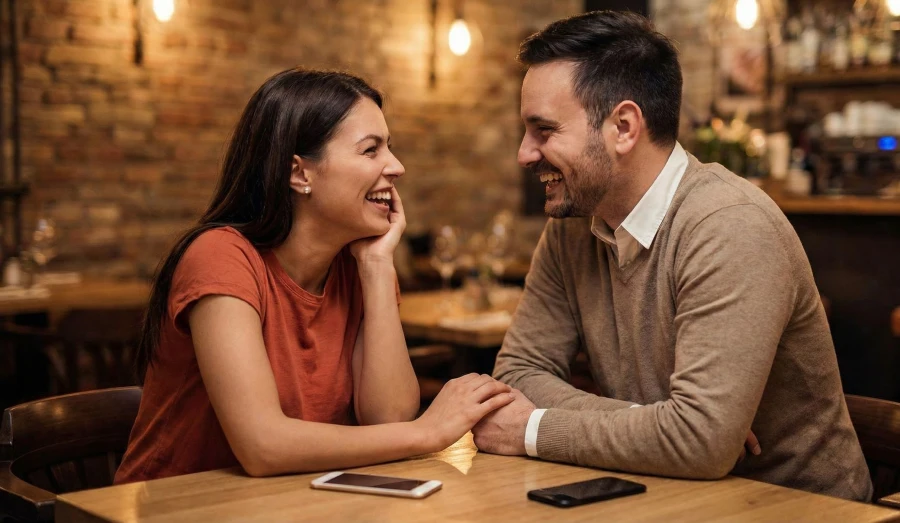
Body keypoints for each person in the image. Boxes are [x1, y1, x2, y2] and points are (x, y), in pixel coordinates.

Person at [471, 11, 872, 501]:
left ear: (623, 126)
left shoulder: (729, 224)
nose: (524, 153)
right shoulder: (573, 227)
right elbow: (516, 375)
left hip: (799, 509)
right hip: (666, 496)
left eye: (544, 130)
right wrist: (654, 426)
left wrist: (531, 430)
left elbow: (700, 445)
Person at [115, 69, 514, 483]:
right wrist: (426, 432)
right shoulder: (221, 257)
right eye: (370, 150)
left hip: (289, 503)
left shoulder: (358, 263)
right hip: (177, 507)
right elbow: (263, 447)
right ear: (300, 173)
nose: (396, 167)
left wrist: (377, 267)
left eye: (389, 148)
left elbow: (387, 417)